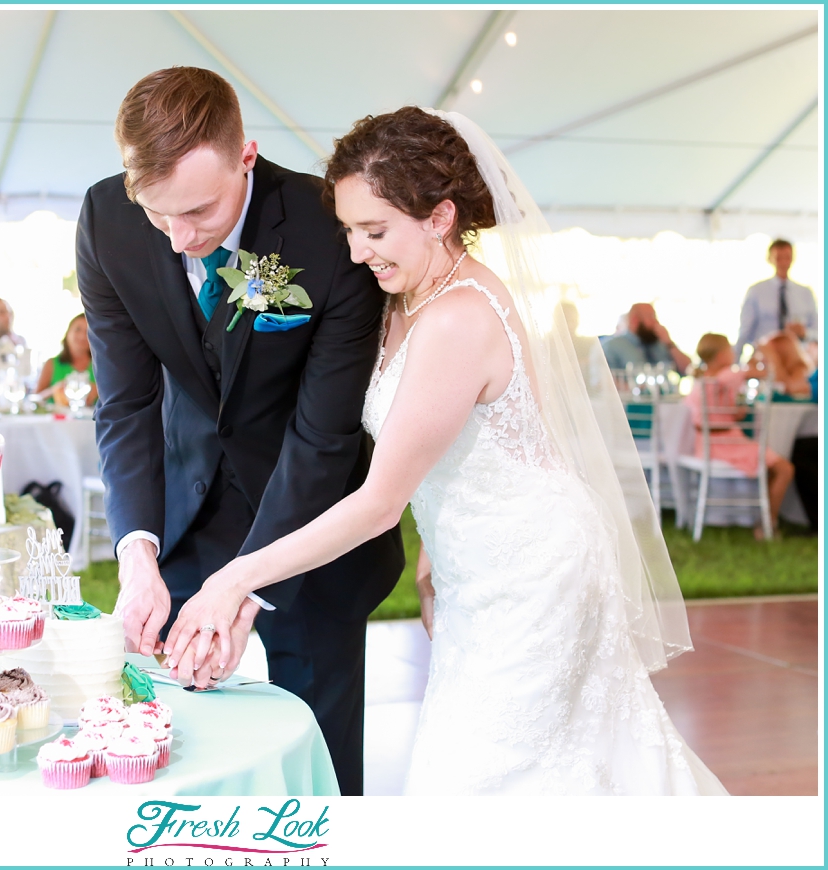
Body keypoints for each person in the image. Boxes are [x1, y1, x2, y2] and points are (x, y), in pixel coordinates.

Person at [162, 107, 726, 796]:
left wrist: (233, 578)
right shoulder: (406, 294)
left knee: (485, 780)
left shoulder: (460, 317)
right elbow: (495, 435)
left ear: (439, 217)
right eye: (347, 230)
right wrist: (437, 547)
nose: (355, 251)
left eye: (374, 231)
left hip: (532, 572)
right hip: (475, 564)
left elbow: (377, 504)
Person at [76, 67, 404, 796]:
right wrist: (137, 557)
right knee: (171, 744)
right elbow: (126, 403)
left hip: (314, 524)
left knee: (317, 754)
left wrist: (249, 588)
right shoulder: (106, 220)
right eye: (160, 215)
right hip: (188, 516)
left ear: (246, 156)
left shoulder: (326, 231)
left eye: (199, 211)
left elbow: (324, 437)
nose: (180, 239)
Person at [689, 333, 795, 540]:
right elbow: (762, 374)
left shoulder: (701, 382)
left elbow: (720, 413)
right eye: (730, 350)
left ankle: (764, 519)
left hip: (706, 444)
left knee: (774, 466)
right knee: (784, 468)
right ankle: (768, 523)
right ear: (720, 356)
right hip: (727, 445)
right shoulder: (727, 375)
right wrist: (762, 359)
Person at [736, 239, 819, 360]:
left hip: (798, 358)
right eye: (779, 258)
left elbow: (818, 332)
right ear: (769, 259)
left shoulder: (805, 293)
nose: (783, 262)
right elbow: (745, 330)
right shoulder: (756, 291)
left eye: (787, 257)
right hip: (766, 357)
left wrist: (804, 332)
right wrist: (735, 362)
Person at [601, 302, 692, 373]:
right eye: (651, 317)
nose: (656, 322)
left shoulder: (659, 345)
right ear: (635, 320)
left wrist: (669, 343)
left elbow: (688, 369)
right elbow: (602, 381)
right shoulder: (612, 346)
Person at [35, 313, 98, 406]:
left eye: (88, 331)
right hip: (57, 419)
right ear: (68, 332)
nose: (82, 336)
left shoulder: (101, 366)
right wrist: (54, 390)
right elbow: (35, 398)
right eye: (78, 329)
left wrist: (98, 391)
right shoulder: (52, 364)